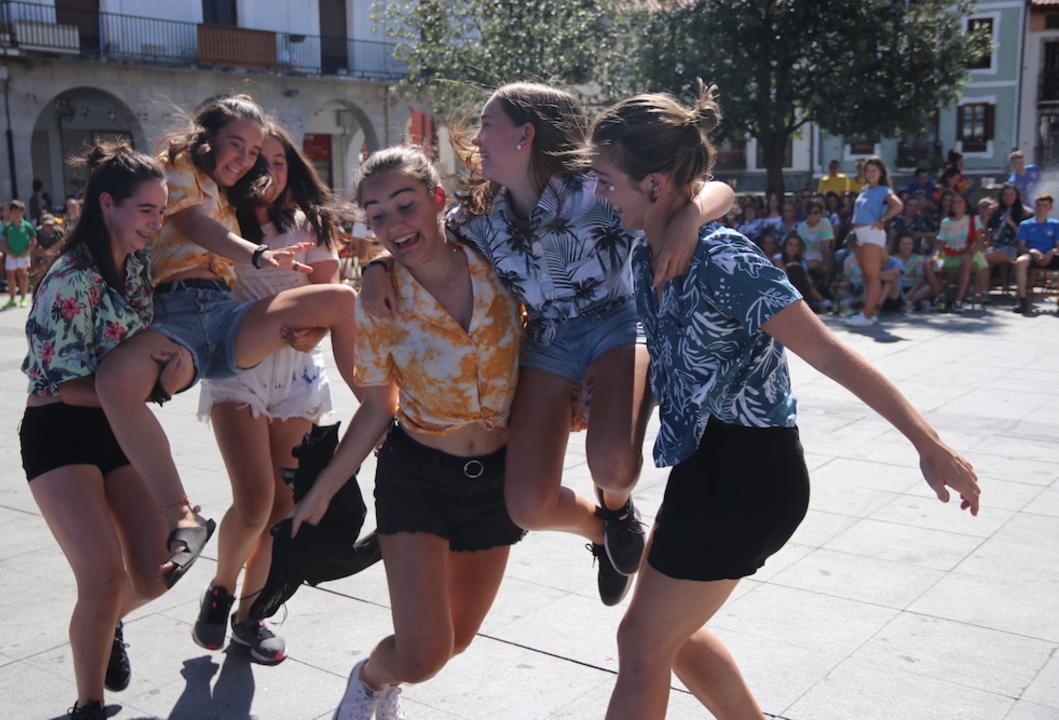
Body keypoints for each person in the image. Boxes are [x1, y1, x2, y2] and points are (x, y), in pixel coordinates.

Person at [587, 81, 981, 720]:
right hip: (703, 468)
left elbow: (829, 353)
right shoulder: (645, 248)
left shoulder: (725, 261)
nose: (597, 193)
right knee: (668, 640)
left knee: (641, 645)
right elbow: (675, 353)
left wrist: (928, 444)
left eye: (606, 181)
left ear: (655, 183)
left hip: (752, 478)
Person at [359, 83, 735, 606]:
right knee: (527, 507)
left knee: (612, 465)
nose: (476, 138)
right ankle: (607, 531)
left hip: (618, 322)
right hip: (548, 340)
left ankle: (619, 508)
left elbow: (718, 191)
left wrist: (688, 218)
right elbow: (415, 237)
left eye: (488, 124)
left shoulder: (597, 186)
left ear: (525, 135)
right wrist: (375, 267)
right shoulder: (478, 216)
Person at [290, 146, 527, 720]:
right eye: (377, 216)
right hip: (417, 478)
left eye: (405, 205)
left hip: (498, 482)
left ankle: (388, 674)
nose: (394, 224)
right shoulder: (380, 299)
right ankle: (370, 679)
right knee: (422, 655)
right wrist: (323, 488)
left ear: (437, 199)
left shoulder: (499, 261)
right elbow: (378, 407)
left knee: (454, 643)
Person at [92, 94, 361, 589]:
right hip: (176, 318)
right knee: (114, 381)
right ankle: (181, 514)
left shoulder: (231, 194)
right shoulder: (177, 167)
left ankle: (379, 416)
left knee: (341, 299)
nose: (244, 157)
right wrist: (259, 255)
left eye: (253, 151)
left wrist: (315, 326)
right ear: (207, 136)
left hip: (224, 316)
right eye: (236, 144)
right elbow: (194, 224)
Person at [19, 143, 172, 720]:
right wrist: (145, 390)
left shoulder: (137, 264)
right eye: (146, 210)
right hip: (58, 429)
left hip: (116, 425)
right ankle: (88, 705)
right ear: (107, 205)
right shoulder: (71, 277)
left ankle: (108, 624)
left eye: (161, 211)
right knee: (103, 578)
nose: (156, 222)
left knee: (155, 575)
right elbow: (63, 385)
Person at [190, 124, 349, 663]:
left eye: (279, 162)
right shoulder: (220, 222)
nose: (269, 172)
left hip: (298, 378)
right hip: (238, 373)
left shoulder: (311, 223)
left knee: (282, 506)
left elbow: (329, 296)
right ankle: (221, 589)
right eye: (259, 161)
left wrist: (319, 330)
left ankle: (249, 617)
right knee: (255, 499)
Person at [847, 156, 902, 326]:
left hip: (872, 233)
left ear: (881, 173)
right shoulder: (865, 190)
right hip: (860, 235)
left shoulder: (884, 189)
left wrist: (883, 220)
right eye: (868, 170)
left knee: (873, 277)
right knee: (867, 276)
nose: (870, 174)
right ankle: (867, 312)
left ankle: (867, 315)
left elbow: (898, 205)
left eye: (874, 171)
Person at [922, 193, 988, 312]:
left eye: (959, 201)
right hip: (949, 255)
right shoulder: (946, 222)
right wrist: (936, 256)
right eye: (954, 202)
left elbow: (979, 242)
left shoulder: (973, 219)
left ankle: (958, 301)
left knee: (965, 263)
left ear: (965, 204)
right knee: (928, 264)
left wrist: (969, 255)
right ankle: (938, 297)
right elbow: (941, 243)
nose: (956, 204)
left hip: (969, 254)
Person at [1012, 193, 1059, 314]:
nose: (1040, 208)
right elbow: (1021, 247)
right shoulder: (1025, 225)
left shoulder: (1055, 224)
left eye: (1044, 205)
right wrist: (1032, 251)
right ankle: (1022, 300)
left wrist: (1052, 252)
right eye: (1038, 205)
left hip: (1049, 254)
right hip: (1032, 254)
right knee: (1020, 262)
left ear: (1050, 208)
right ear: (1034, 206)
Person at [0, 199, 37, 308]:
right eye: (14, 212)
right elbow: (4, 242)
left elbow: (34, 241)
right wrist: (9, 252)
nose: (17, 214)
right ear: (10, 213)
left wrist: (26, 251)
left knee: (23, 275)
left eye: (19, 212)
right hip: (12, 255)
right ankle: (12, 298)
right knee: (10, 276)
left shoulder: (27, 226)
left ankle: (23, 298)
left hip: (23, 254)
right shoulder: (8, 226)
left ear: (23, 213)